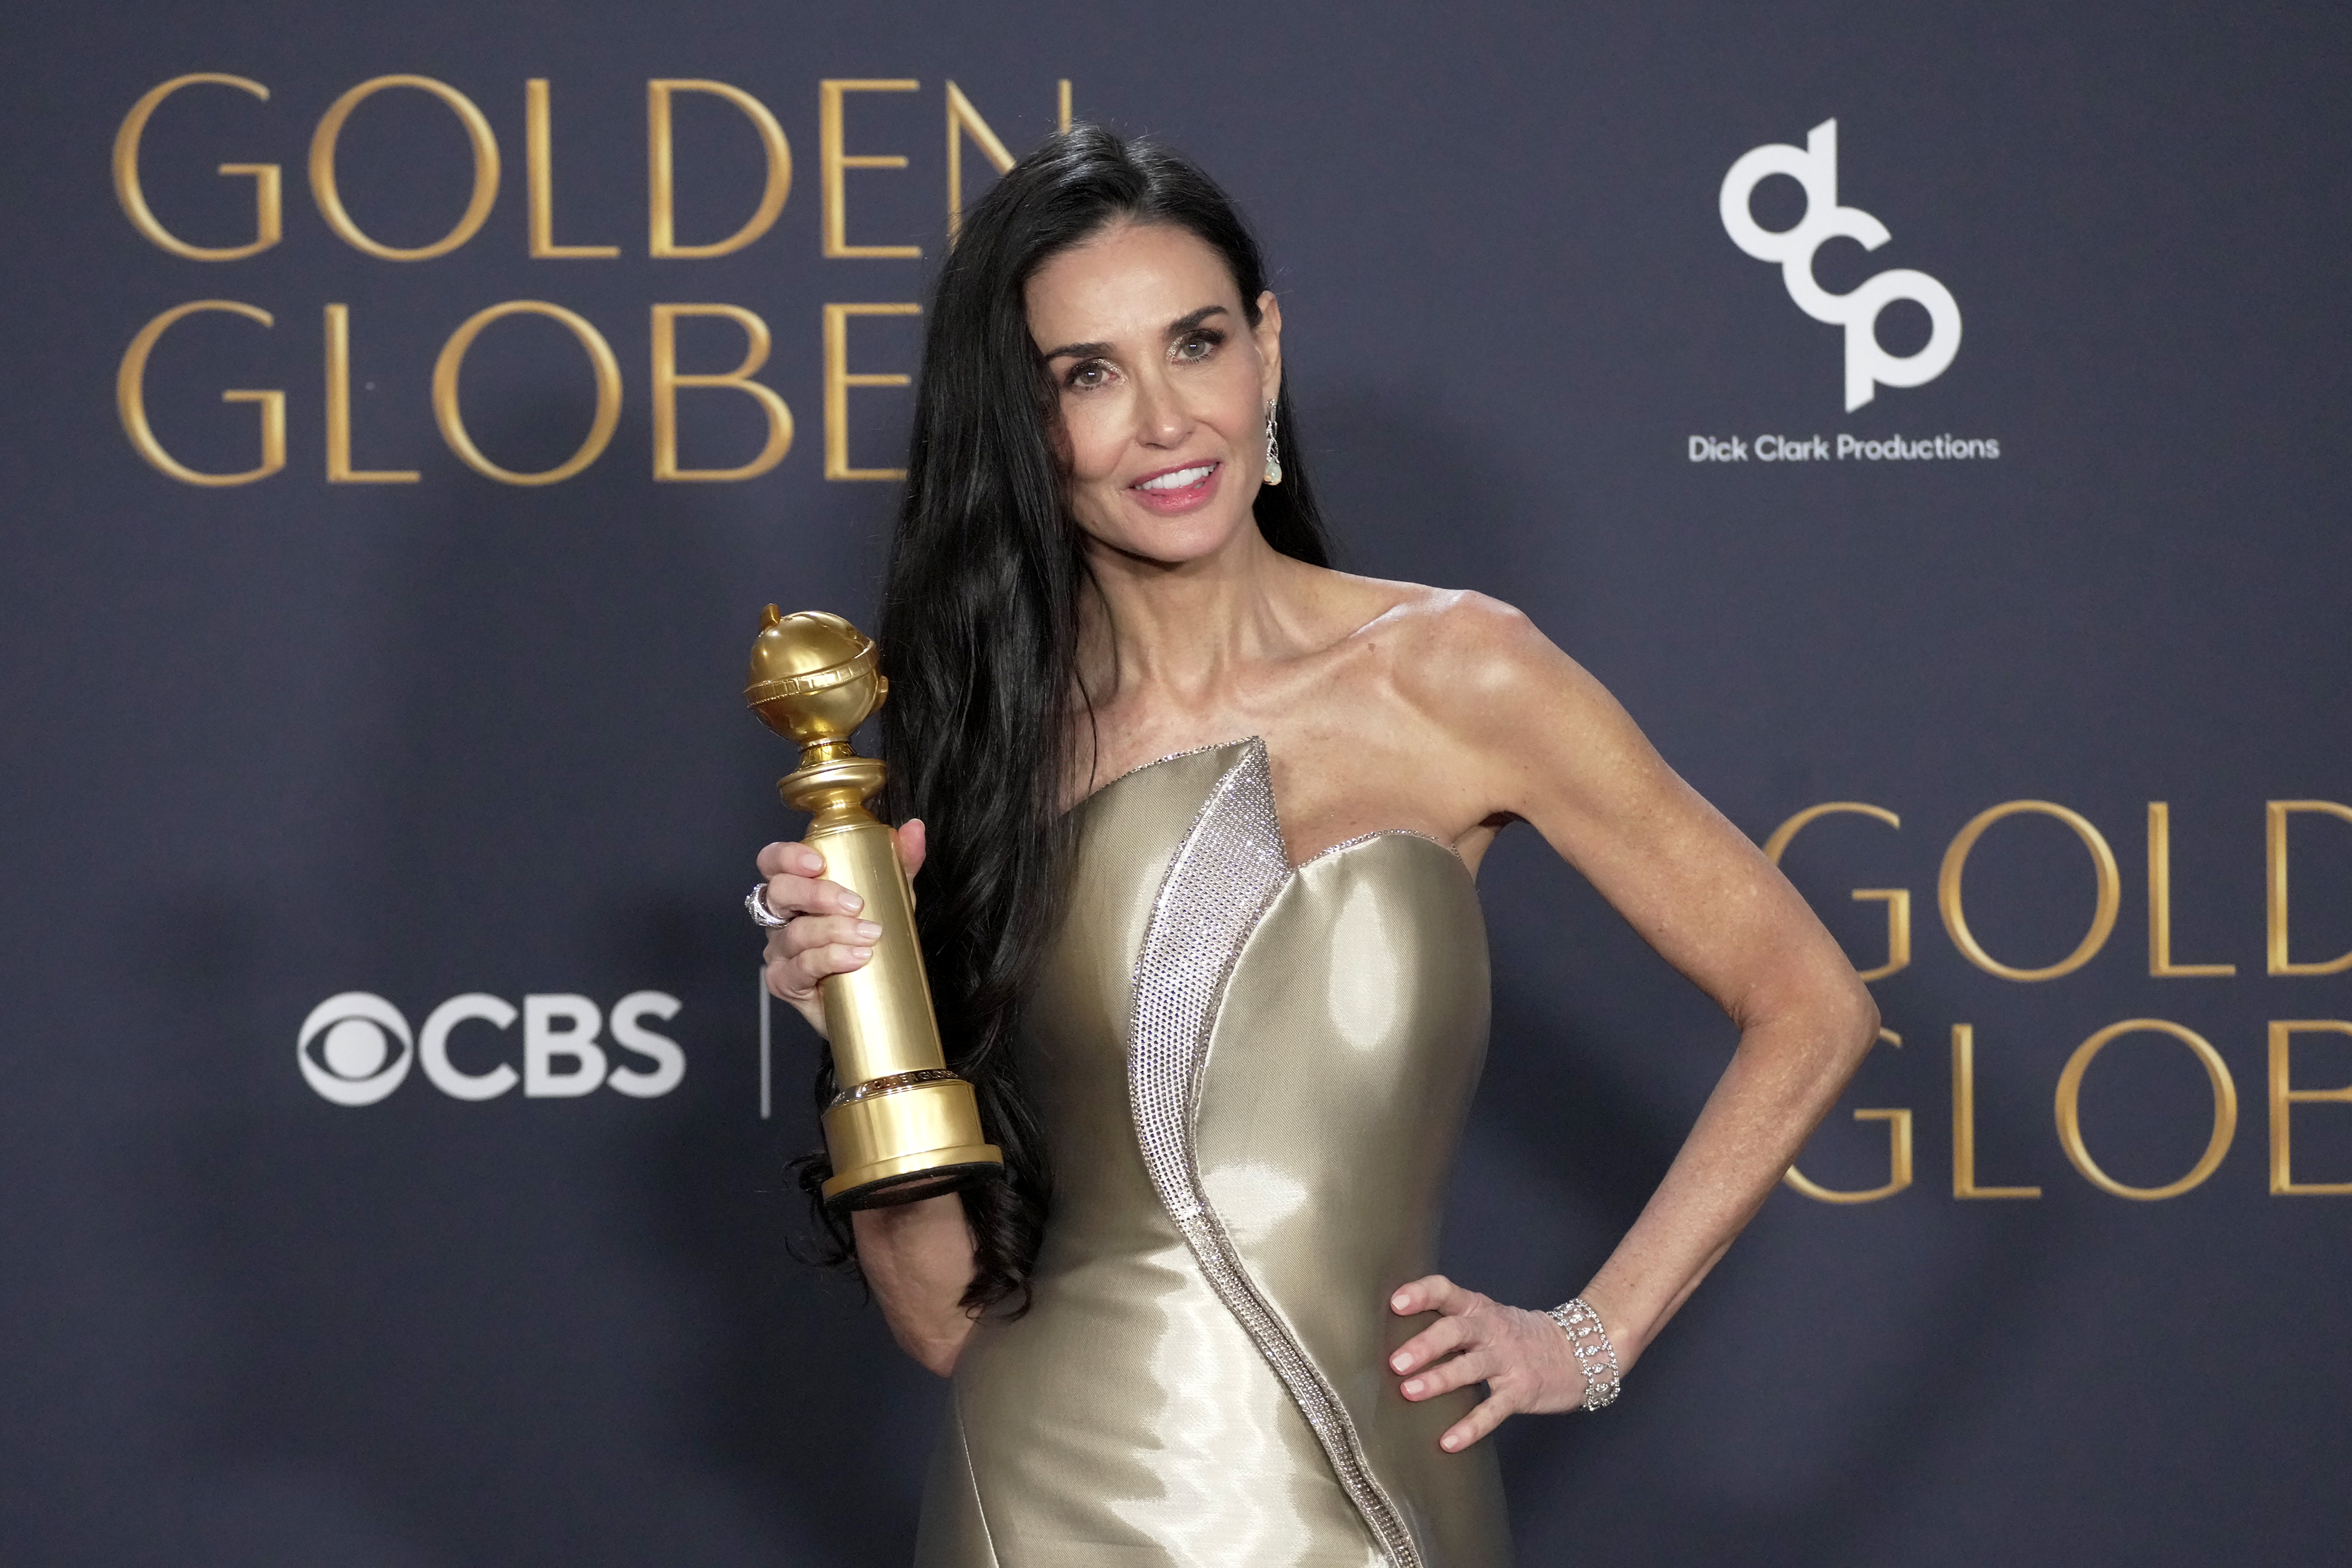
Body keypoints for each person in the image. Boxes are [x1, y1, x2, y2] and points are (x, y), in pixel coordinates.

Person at [753, 126, 1877, 1568]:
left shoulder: (1462, 674)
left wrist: (1588, 1339)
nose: (1163, 421)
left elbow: (1810, 1006)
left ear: (1267, 349)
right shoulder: (992, 759)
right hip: (1044, 1499)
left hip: (1383, 1499)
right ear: (1024, 427)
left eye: (1196, 343)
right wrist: (863, 1025)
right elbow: (941, 1322)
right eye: (1086, 375)